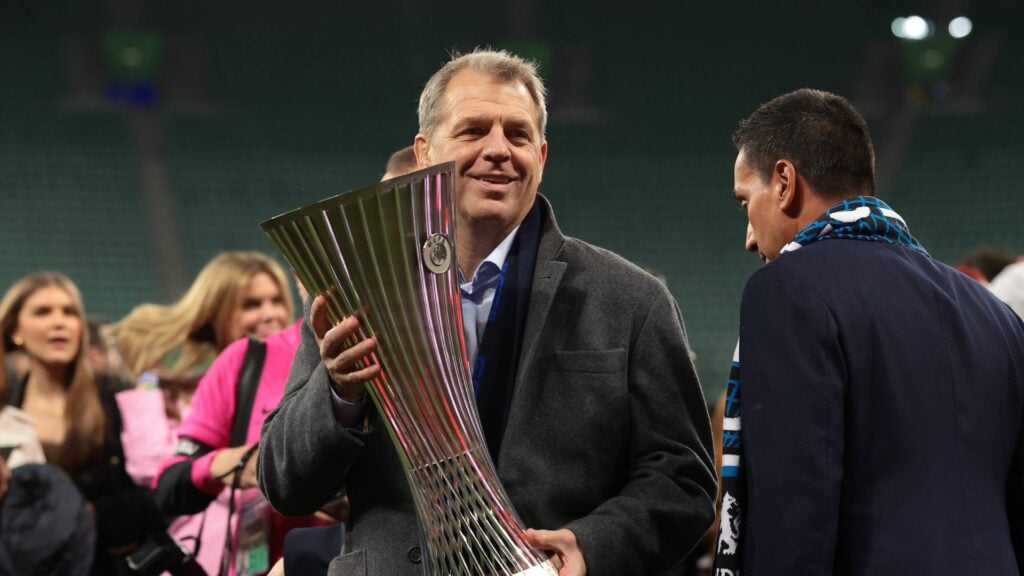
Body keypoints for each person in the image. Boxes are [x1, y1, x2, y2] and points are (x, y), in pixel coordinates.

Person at [259, 49, 716, 576]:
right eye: (473, 130)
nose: (498, 150)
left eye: (518, 135)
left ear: (542, 156)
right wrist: (340, 393)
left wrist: (589, 546)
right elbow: (285, 485)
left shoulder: (630, 299)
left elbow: (682, 479)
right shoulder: (357, 294)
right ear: (425, 152)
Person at [714, 88, 1024, 575]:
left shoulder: (788, 291)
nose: (749, 236)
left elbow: (795, 514)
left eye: (744, 202)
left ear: (784, 182)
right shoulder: (995, 315)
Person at [0, 272, 165, 575]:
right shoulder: (6, 408)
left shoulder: (116, 395)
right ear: (15, 330)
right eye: (43, 312)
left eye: (70, 312)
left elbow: (152, 480)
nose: (59, 322)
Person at [109, 251, 294, 487]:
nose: (270, 315)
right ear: (215, 313)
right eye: (251, 305)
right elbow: (152, 468)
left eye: (276, 301)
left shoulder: (305, 378)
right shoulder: (185, 395)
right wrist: (147, 375)